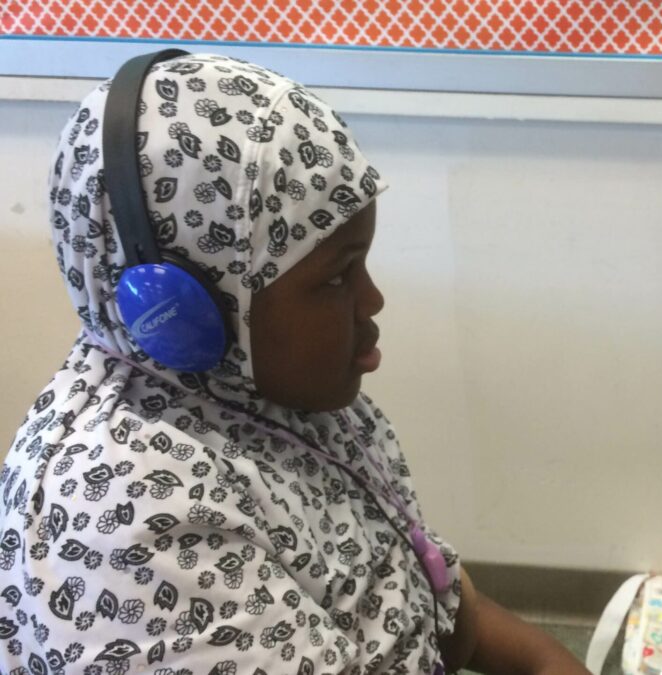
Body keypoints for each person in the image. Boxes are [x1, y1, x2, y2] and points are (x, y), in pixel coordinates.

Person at [0, 51, 588, 674]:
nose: (374, 299)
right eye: (337, 278)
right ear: (186, 309)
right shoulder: (129, 528)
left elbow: (417, 578)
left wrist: (544, 659)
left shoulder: (275, 396)